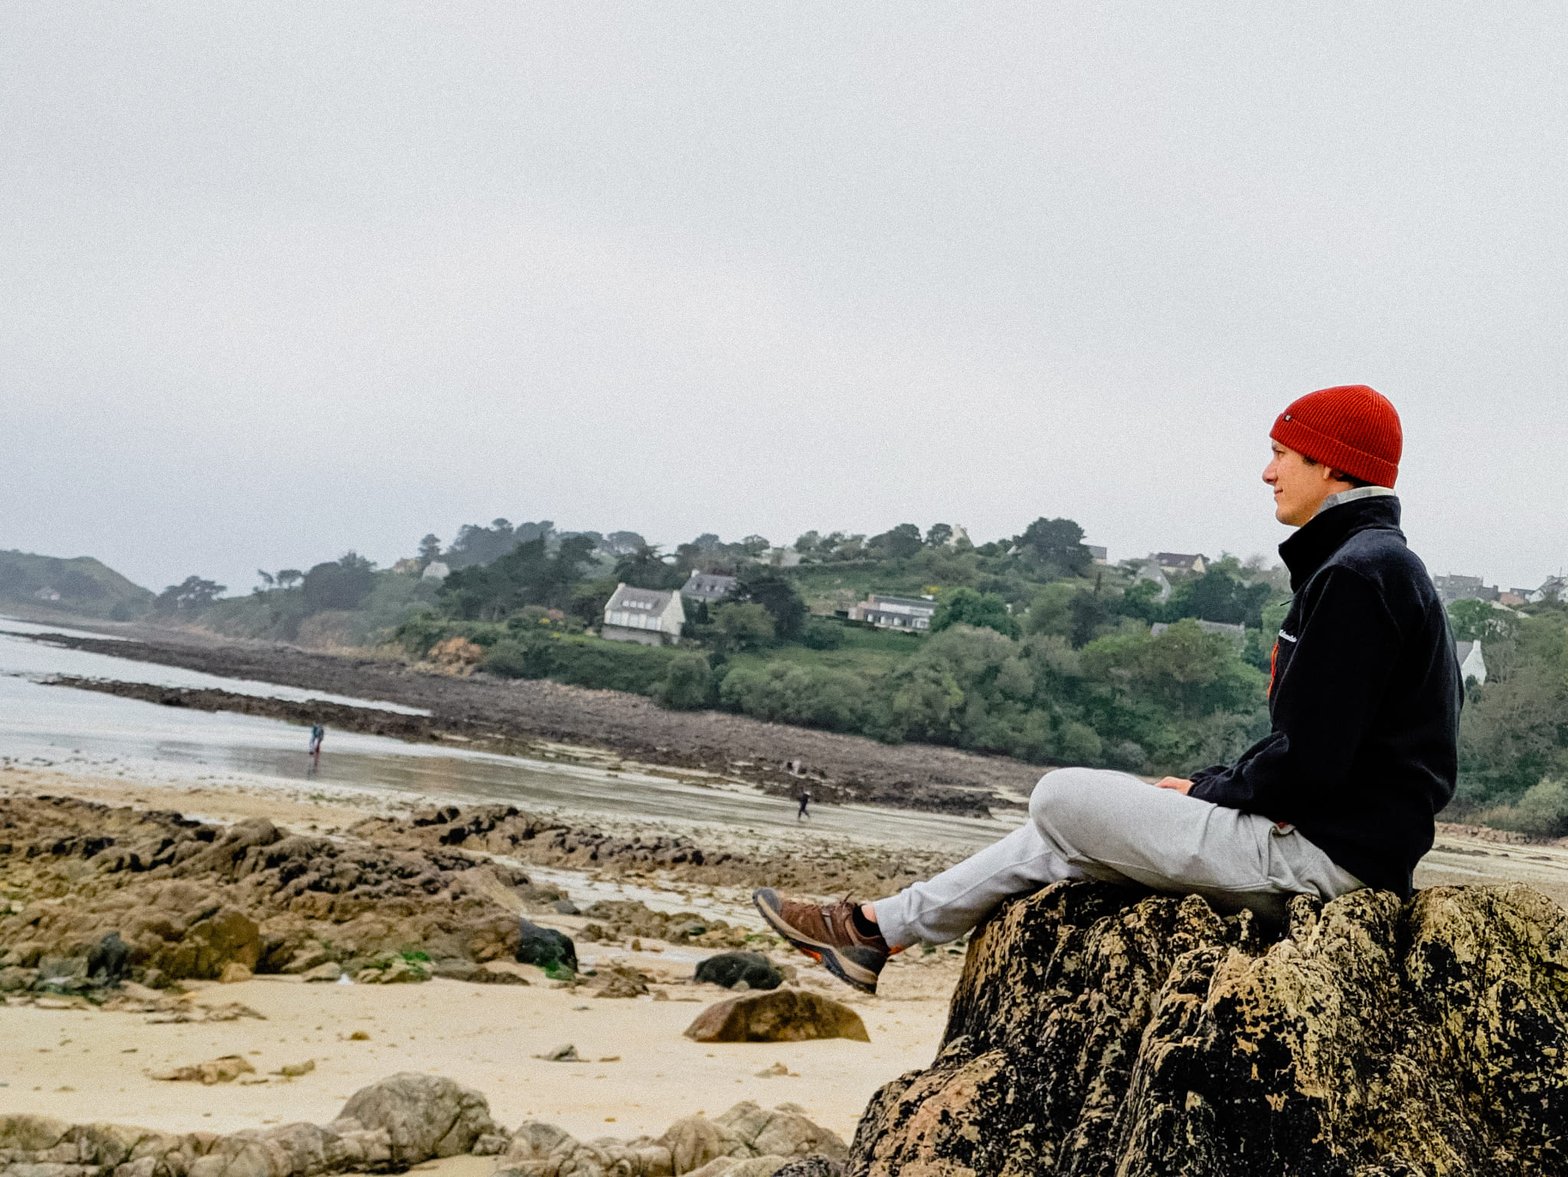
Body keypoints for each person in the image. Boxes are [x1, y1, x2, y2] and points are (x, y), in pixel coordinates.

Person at [754, 385, 1462, 995]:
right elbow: (1317, 743)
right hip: (1340, 849)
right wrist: (1210, 786)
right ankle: (875, 930)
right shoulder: (1376, 566)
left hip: (1324, 861)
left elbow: (1309, 761)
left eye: (1283, 453)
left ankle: (876, 928)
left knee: (1059, 797)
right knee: (1064, 839)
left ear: (1331, 462)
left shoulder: (1358, 575)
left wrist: (1211, 791)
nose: (1267, 471)